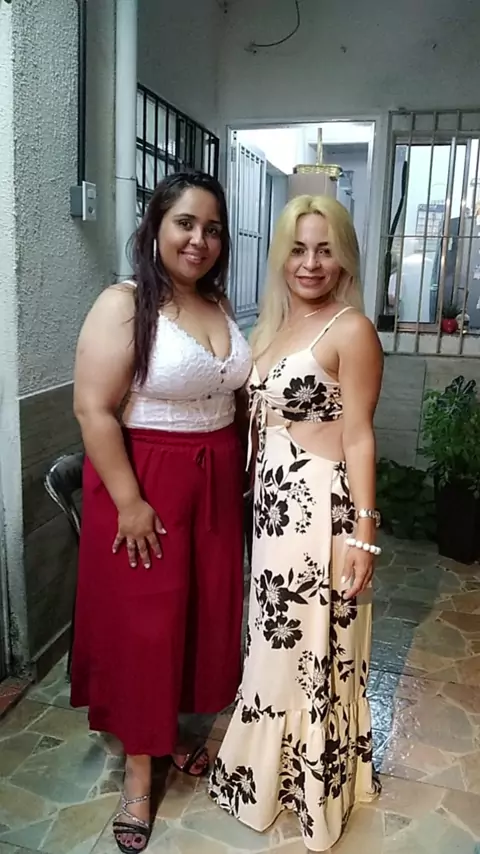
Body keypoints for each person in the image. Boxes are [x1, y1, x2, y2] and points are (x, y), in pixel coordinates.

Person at [70, 171, 252, 854]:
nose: (199, 239)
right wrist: (129, 501)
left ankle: (168, 729)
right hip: (146, 481)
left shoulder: (217, 302)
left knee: (195, 614)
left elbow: (231, 393)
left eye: (212, 228)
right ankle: (139, 774)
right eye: (185, 223)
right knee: (144, 628)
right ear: (155, 227)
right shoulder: (123, 303)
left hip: (212, 481)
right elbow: (93, 408)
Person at [208, 195, 384, 851]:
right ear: (281, 256)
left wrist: (364, 533)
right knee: (274, 649)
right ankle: (265, 779)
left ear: (344, 258)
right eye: (299, 249)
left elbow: (360, 436)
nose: (310, 263)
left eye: (325, 249)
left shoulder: (350, 329)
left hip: (320, 515)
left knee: (314, 652)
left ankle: (314, 791)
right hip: (273, 516)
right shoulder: (273, 327)